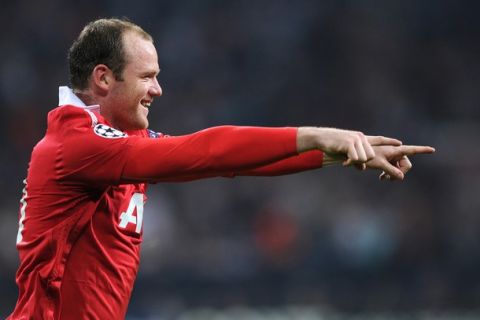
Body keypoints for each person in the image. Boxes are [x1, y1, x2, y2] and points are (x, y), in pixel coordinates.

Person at [8, 18, 434, 319]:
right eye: (147, 77)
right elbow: (208, 151)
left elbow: (227, 164)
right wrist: (318, 135)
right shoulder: (76, 144)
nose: (159, 89)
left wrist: (340, 154)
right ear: (103, 78)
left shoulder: (114, 145)